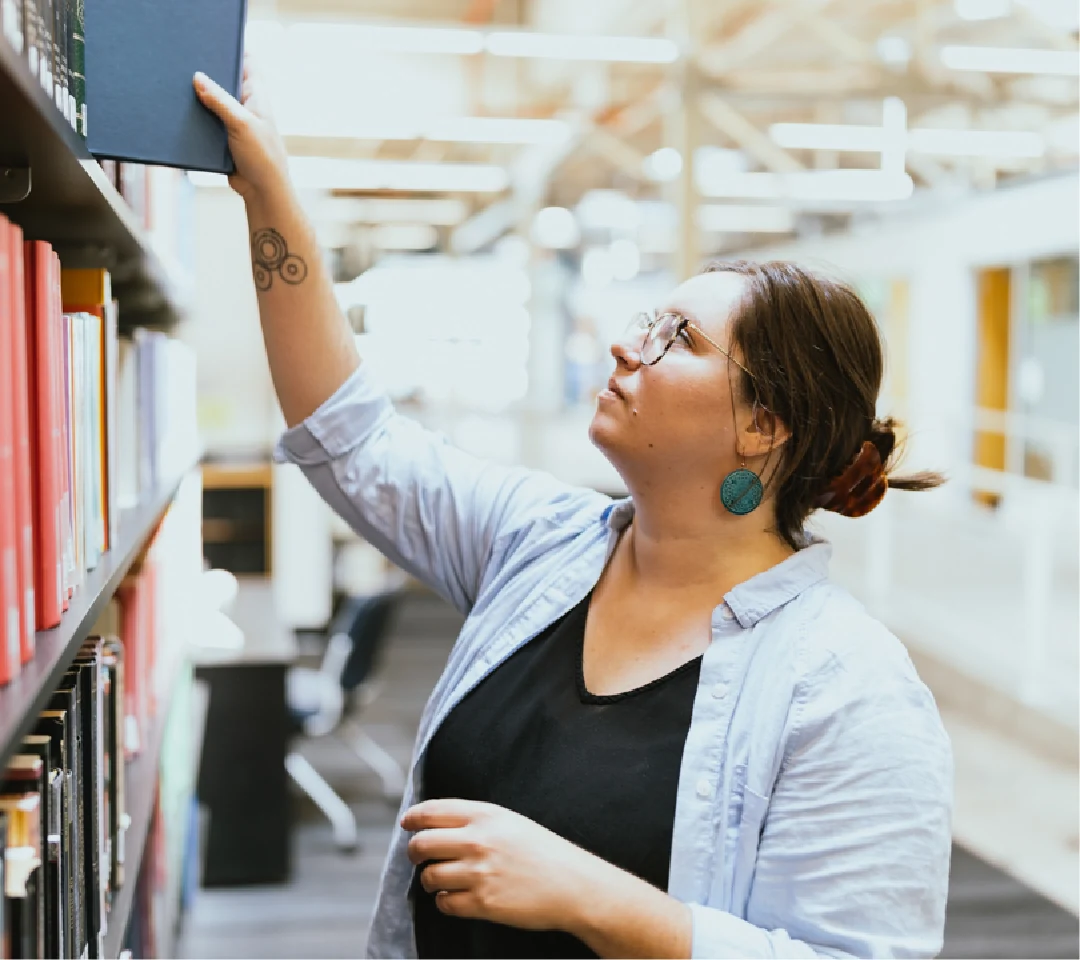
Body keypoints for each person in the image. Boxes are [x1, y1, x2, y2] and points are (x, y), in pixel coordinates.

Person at [193, 64, 953, 960]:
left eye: (679, 339)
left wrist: (599, 901)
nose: (628, 344)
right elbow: (352, 438)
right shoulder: (540, 543)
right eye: (648, 318)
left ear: (764, 425)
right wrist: (267, 186)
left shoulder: (848, 687)